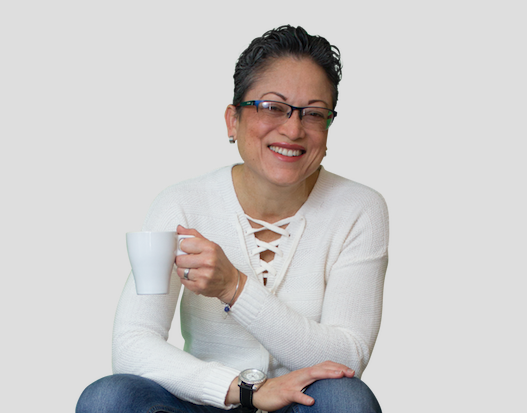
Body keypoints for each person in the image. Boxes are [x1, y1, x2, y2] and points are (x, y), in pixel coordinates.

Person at [76, 25, 389, 413]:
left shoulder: (359, 209)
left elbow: (347, 357)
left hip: (303, 403)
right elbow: (132, 342)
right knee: (108, 398)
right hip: (205, 401)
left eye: (313, 114)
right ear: (233, 120)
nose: (293, 129)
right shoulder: (180, 205)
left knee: (347, 399)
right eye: (272, 107)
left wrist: (235, 288)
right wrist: (244, 390)